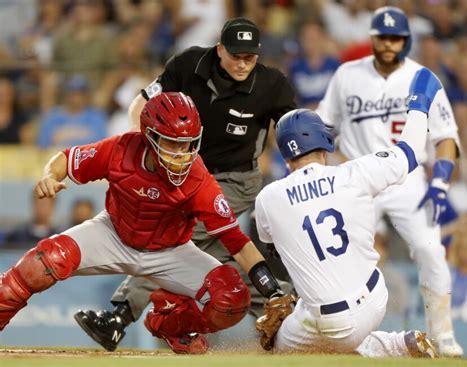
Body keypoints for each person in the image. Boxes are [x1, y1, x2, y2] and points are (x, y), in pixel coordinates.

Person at [0, 92, 288, 355]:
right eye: (172, 142)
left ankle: (173, 324)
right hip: (111, 233)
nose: (180, 154)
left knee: (233, 300)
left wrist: (272, 291)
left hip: (171, 252)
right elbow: (66, 158)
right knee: (41, 263)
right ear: (149, 136)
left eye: (187, 144)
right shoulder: (120, 149)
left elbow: (238, 243)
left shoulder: (199, 180)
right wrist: (50, 176)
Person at [74, 16, 297, 351]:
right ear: (219, 49)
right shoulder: (187, 64)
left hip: (233, 181)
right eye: (235, 54)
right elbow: (142, 103)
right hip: (179, 173)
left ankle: (119, 316)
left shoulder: (272, 84)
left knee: (173, 244)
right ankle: (286, 304)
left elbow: (292, 131)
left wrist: (302, 172)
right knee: (213, 259)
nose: (242, 63)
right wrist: (142, 148)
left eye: (250, 57)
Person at [254, 67, 440, 357]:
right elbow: (411, 151)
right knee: (324, 325)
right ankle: (401, 344)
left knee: (279, 344)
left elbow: (270, 243)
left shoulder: (268, 198)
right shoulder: (354, 173)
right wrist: (419, 102)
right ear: (324, 144)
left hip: (330, 321)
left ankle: (391, 346)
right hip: (376, 297)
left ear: (286, 156)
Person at [316, 6, 463, 357]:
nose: (388, 43)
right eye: (382, 36)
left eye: (395, 37)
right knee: (344, 260)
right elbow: (323, 126)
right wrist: (328, 168)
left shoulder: (422, 77)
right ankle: (349, 337)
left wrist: (440, 182)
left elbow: (446, 137)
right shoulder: (347, 74)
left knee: (430, 249)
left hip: (407, 179)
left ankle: (441, 334)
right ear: (372, 38)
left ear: (406, 40)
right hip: (358, 177)